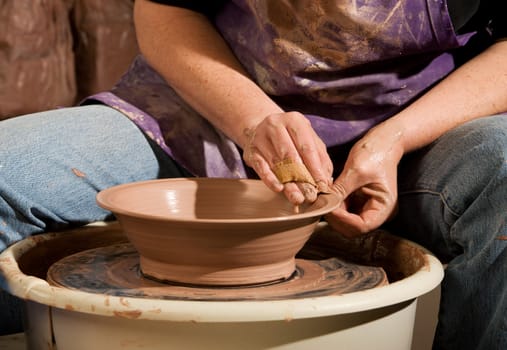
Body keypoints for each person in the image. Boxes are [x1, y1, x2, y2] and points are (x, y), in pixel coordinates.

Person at [0, 0, 505, 348]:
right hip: (206, 109)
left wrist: (394, 139)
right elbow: (166, 8)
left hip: (415, 130)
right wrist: (254, 119)